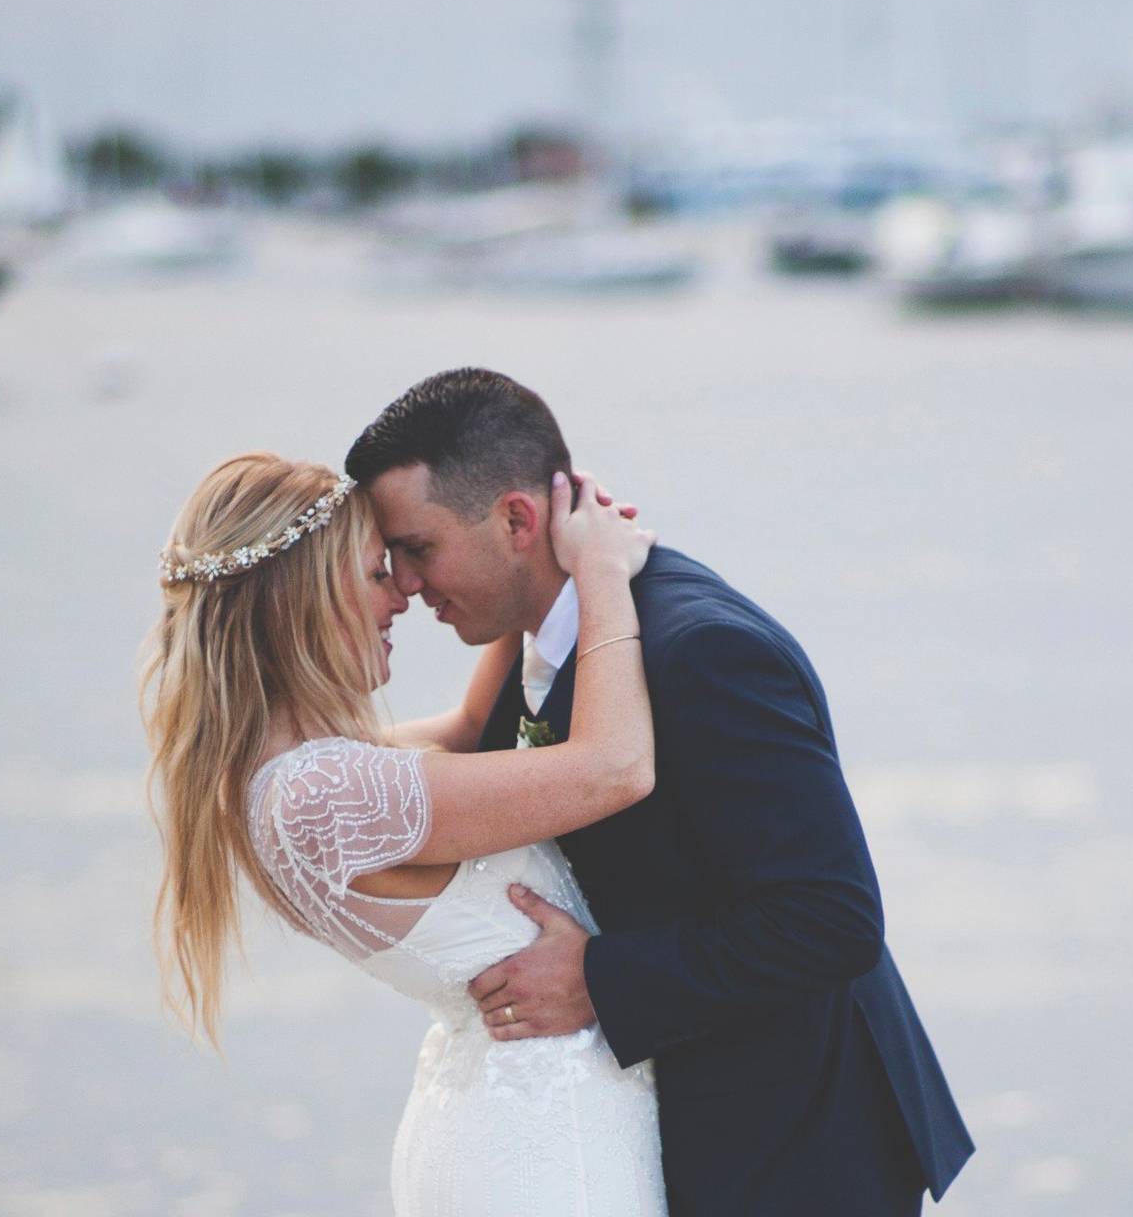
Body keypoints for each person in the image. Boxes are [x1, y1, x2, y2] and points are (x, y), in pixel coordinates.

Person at [347, 369, 975, 1216]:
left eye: (418, 549)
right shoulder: (541, 638)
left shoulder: (701, 652)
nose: (409, 584)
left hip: (794, 1147)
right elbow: (461, 752)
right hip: (671, 1127)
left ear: (518, 521)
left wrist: (597, 979)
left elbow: (833, 918)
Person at [142, 450, 669, 1216]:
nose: (405, 594)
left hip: (510, 1121)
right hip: (546, 1152)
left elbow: (464, 732)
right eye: (376, 574)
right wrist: (602, 577)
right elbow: (615, 767)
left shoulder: (295, 776)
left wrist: (520, 570)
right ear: (302, 602)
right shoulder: (324, 795)